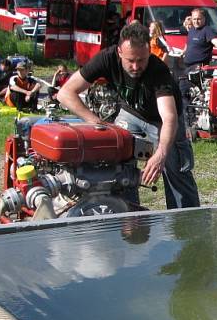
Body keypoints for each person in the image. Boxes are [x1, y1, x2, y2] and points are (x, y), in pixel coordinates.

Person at [57, 21, 200, 209]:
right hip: (130, 113)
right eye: (130, 60)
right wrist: (94, 121)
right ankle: (128, 216)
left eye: (141, 60)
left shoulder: (158, 71)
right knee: (118, 157)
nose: (135, 66)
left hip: (160, 121)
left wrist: (161, 153)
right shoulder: (106, 58)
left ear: (149, 52)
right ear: (119, 52)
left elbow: (169, 117)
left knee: (174, 170)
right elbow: (65, 93)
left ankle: (186, 223)